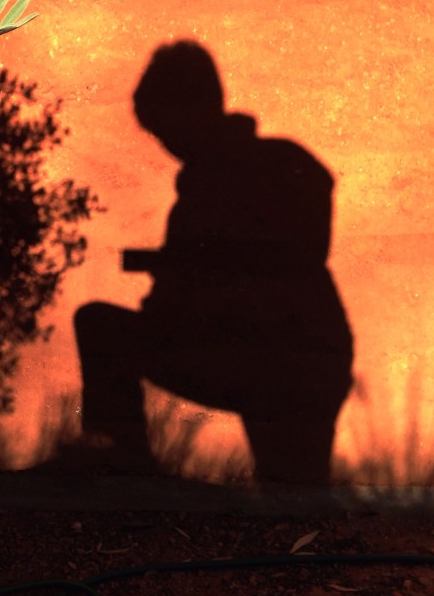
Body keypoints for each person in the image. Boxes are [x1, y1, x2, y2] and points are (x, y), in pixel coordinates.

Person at [74, 42, 353, 483]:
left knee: (292, 490)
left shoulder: (275, 168)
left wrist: (196, 266)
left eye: (166, 130)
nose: (167, 145)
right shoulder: (215, 186)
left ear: (195, 110)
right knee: (291, 493)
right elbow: (173, 305)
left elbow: (296, 257)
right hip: (284, 357)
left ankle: (120, 468)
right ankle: (118, 465)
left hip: (288, 359)